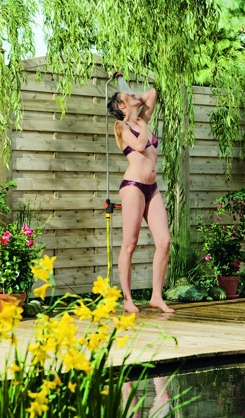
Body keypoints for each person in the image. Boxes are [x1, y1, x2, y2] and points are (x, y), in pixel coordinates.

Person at [107, 88, 174, 313]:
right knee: (130, 244)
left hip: (152, 188)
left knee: (164, 242)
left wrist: (131, 98)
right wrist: (141, 121)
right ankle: (127, 299)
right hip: (133, 187)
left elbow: (152, 93)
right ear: (121, 106)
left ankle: (156, 297)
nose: (134, 93)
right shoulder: (121, 126)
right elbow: (138, 146)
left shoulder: (140, 119)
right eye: (128, 95)